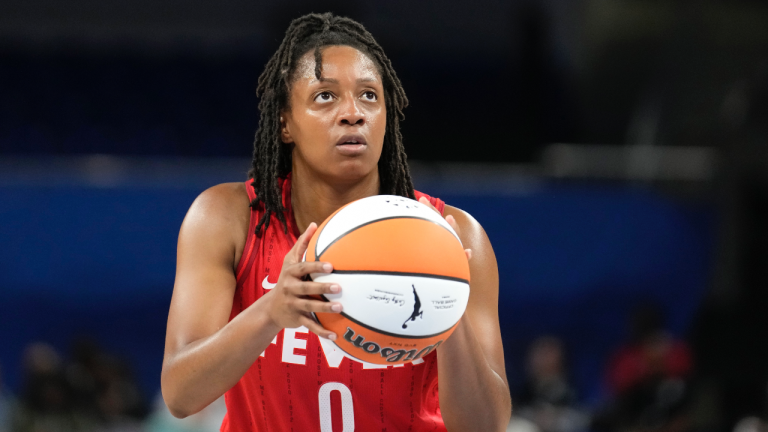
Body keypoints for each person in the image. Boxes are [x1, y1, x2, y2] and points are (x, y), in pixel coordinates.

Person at [161, 12, 511, 432]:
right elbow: (181, 395)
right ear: (285, 122)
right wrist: (271, 311)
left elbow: (487, 427)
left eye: (369, 96)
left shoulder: (456, 234)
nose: (353, 113)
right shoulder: (229, 217)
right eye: (325, 97)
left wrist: (446, 307)